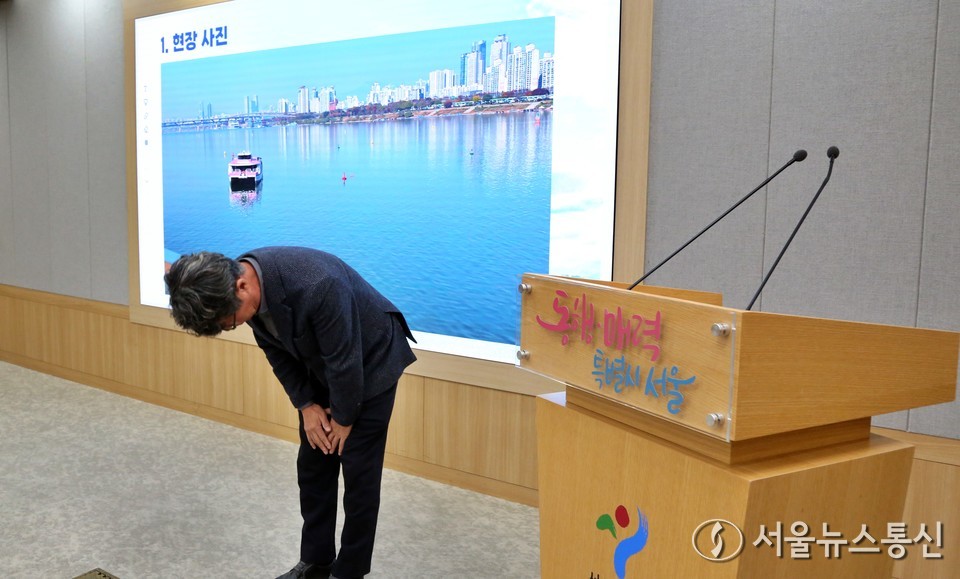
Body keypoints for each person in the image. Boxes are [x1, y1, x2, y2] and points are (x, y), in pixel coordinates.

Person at [164, 246, 417, 579]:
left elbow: (346, 362)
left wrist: (343, 420)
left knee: (359, 475)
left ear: (241, 286)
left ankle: (349, 571)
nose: (234, 326)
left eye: (229, 322)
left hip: (370, 362)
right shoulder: (237, 284)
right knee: (313, 468)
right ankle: (316, 561)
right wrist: (307, 406)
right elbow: (276, 350)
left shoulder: (318, 285)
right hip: (324, 363)